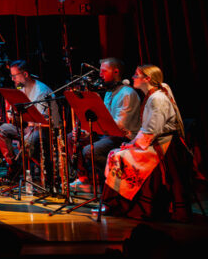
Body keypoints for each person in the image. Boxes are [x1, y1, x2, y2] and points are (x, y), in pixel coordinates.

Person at [103, 64, 187, 219]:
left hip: (163, 145)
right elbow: (147, 128)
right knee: (116, 153)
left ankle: (126, 204)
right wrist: (132, 143)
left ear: (147, 79)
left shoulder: (157, 98)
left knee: (119, 156)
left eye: (136, 75)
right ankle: (117, 203)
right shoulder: (151, 96)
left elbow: (152, 130)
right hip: (153, 141)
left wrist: (132, 144)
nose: (133, 77)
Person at [68, 58, 141, 194]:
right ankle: (85, 180)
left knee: (91, 150)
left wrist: (94, 131)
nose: (100, 75)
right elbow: (101, 119)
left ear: (116, 71)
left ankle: (108, 187)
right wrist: (87, 132)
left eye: (103, 71)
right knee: (72, 138)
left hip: (124, 137)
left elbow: (119, 125)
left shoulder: (127, 93)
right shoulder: (109, 92)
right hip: (108, 134)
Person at [0, 60, 61, 178]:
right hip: (28, 126)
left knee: (28, 140)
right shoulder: (21, 88)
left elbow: (40, 120)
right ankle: (14, 165)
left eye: (15, 76)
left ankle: (46, 171)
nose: (13, 79)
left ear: (25, 74)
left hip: (44, 129)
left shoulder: (41, 91)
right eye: (11, 76)